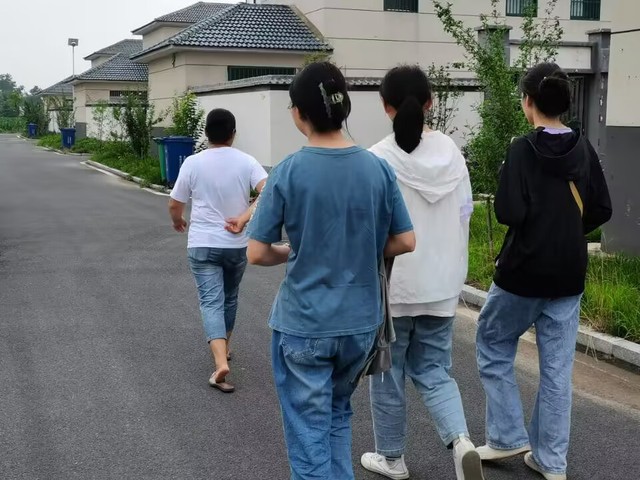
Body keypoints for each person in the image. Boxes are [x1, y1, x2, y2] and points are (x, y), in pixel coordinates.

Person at [245, 62, 416, 480]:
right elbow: (405, 240)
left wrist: (293, 251)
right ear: (345, 109)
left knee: (308, 441)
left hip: (305, 324)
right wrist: (359, 249)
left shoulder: (288, 171)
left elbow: (257, 252)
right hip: (361, 325)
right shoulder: (377, 168)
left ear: (298, 113)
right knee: (338, 416)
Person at [475, 63, 612, 480]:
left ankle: (506, 435)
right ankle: (551, 461)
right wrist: (567, 228)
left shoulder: (521, 149)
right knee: (556, 369)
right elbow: (601, 209)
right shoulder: (584, 148)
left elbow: (508, 211)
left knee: (493, 342)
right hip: (568, 273)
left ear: (528, 102)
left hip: (523, 272)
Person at [359, 65, 483, 480]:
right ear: (431, 103)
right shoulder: (453, 154)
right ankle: (461, 441)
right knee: (433, 370)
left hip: (393, 287)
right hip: (442, 284)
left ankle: (392, 459)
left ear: (385, 105)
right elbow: (464, 214)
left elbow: (369, 228)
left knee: (387, 374)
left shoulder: (376, 159)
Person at [168, 108, 268, 393]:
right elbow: (269, 190)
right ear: (233, 134)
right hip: (235, 244)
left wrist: (178, 221)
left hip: (202, 243)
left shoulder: (193, 162)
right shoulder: (247, 161)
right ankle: (226, 345)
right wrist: (244, 217)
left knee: (211, 301)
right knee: (229, 297)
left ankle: (220, 362)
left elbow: (175, 203)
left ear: (206, 133)